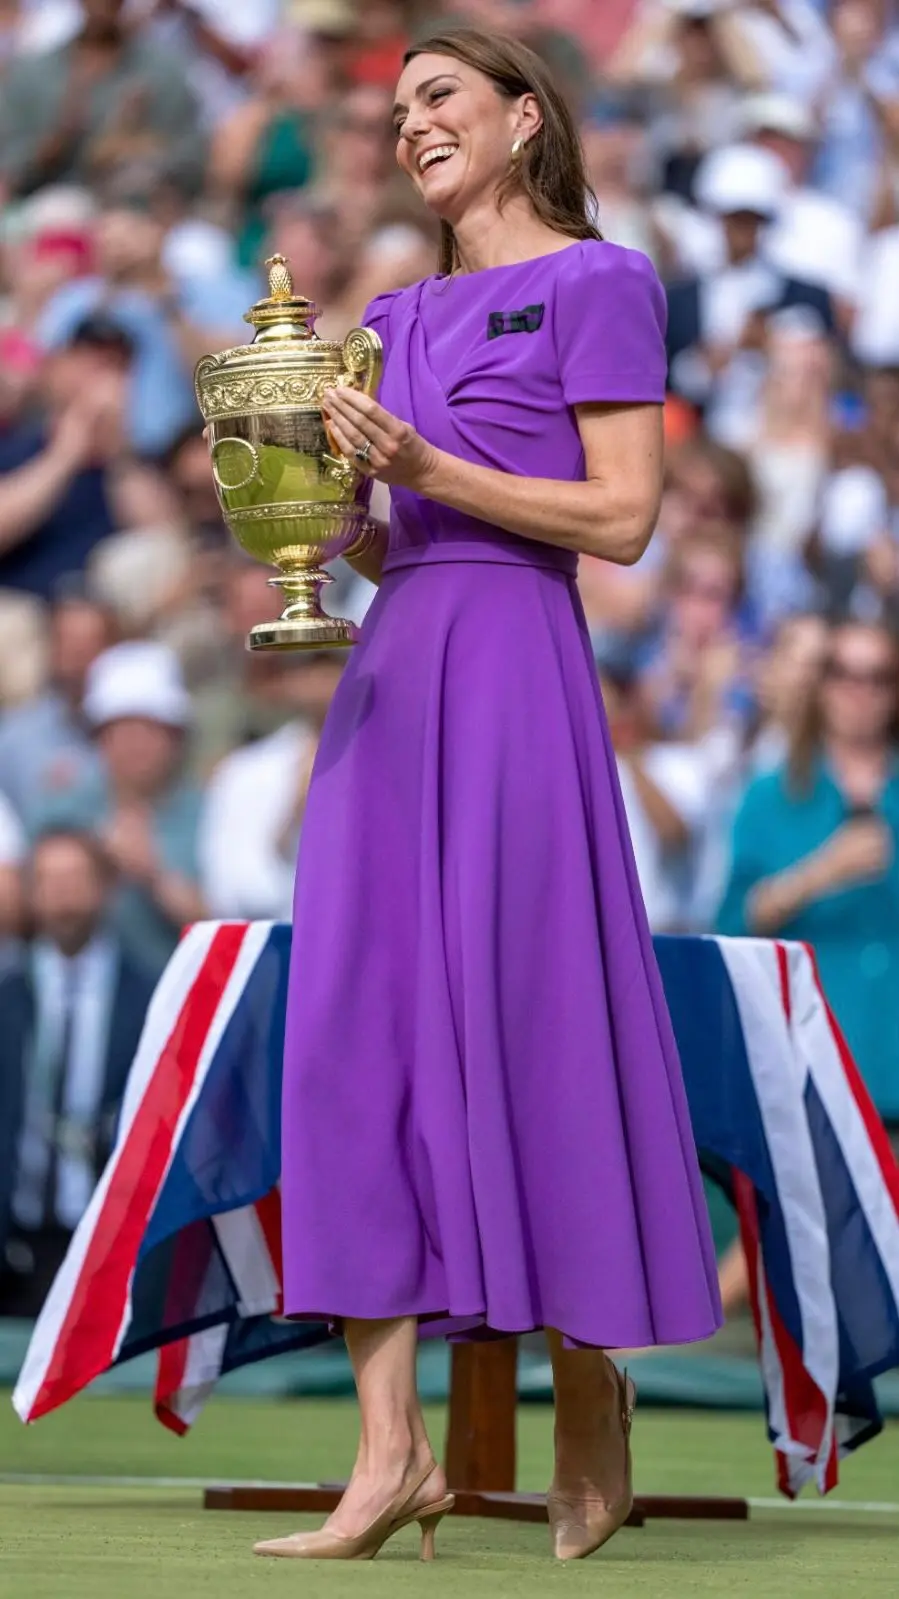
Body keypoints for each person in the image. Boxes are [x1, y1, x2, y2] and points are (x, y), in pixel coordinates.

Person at [258, 27, 721, 1567]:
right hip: (393, 677)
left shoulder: (601, 282)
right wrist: (319, 514)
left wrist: (428, 475)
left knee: (528, 1021)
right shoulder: (387, 315)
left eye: (439, 99)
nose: (411, 128)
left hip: (519, 670)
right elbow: (398, 529)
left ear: (525, 117)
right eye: (395, 112)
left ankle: (587, 1398)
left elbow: (624, 517)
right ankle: (386, 1451)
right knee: (348, 1033)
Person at [717, 618, 899, 1126]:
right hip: (813, 1077)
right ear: (821, 685)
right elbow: (730, 924)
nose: (860, 693)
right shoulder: (771, 796)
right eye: (844, 674)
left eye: (878, 677)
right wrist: (816, 875)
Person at [0, 828, 156, 1319]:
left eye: (76, 878)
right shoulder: (8, 995)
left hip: (110, 1238)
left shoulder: (150, 994)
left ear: (107, 887)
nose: (63, 893)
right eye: (49, 879)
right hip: (16, 1241)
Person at [35, 640, 206, 977]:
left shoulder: (208, 811)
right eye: (120, 731)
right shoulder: (63, 809)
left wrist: (153, 875)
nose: (134, 745)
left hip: (180, 994)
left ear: (176, 737)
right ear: (98, 739)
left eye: (149, 730)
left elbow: (227, 927)